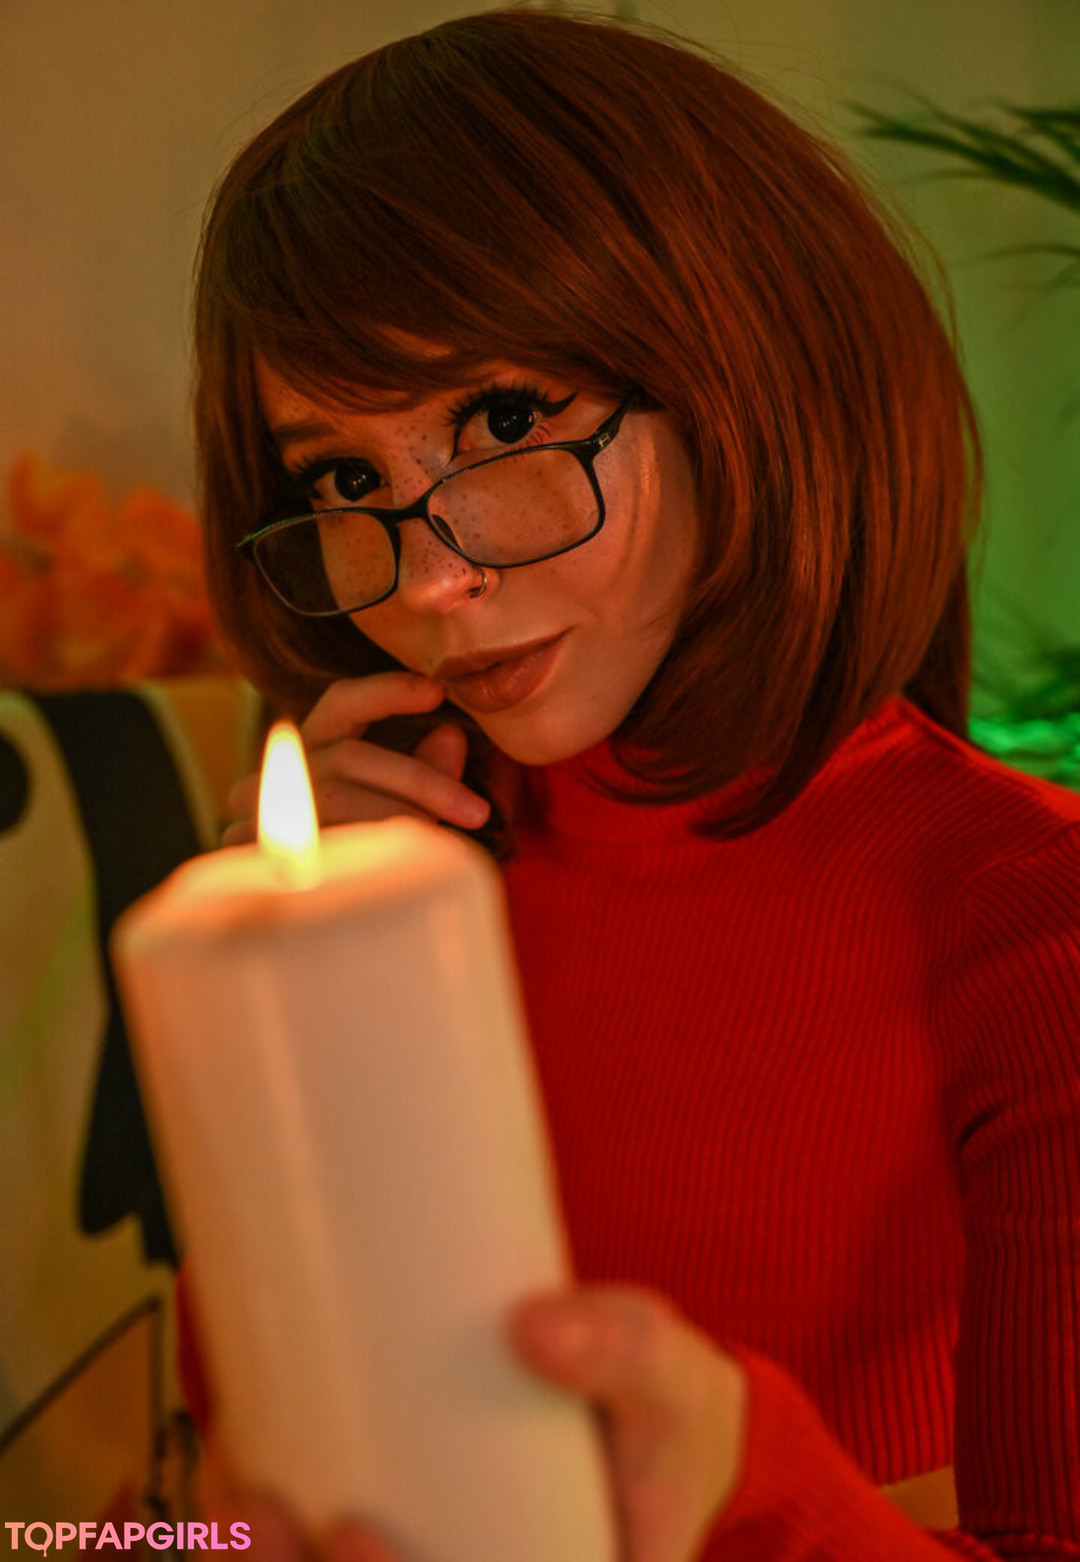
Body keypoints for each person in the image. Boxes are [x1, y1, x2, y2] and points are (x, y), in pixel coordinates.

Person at [185, 7, 1080, 1559]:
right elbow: (221, 1510)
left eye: (504, 419)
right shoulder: (359, 883)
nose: (433, 575)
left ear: (746, 374)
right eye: (343, 478)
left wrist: (744, 1486)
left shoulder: (1028, 916)